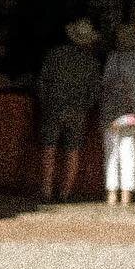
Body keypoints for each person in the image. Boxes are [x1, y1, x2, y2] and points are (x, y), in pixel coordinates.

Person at [38, 19, 102, 202]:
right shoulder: (91, 62)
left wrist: (46, 102)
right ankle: (65, 193)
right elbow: (95, 90)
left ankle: (47, 190)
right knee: (73, 151)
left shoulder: (55, 55)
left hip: (54, 107)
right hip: (78, 111)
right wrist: (85, 107)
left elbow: (43, 81)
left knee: (49, 149)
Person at [99, 24, 135, 206]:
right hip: (133, 111)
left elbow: (105, 83)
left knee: (111, 154)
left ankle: (112, 193)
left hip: (111, 112)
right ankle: (127, 194)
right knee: (129, 152)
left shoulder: (113, 58)